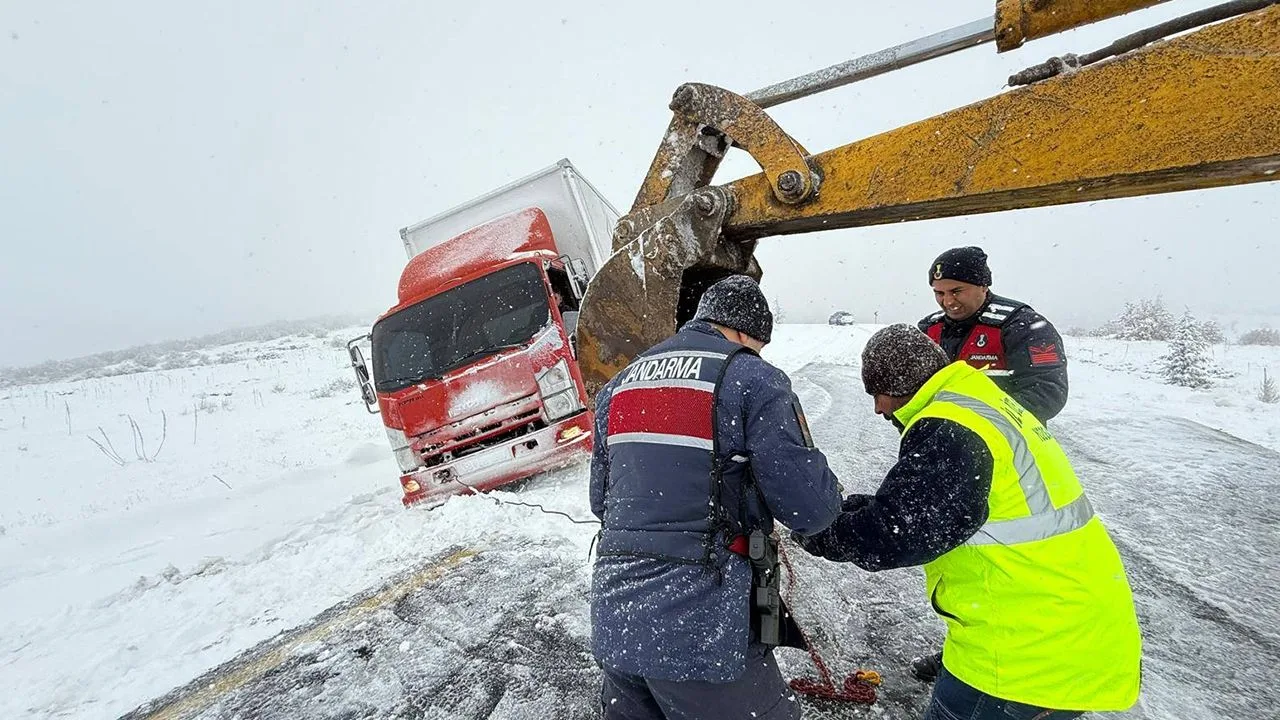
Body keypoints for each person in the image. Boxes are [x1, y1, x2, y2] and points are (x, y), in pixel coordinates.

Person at [793, 324, 1142, 720]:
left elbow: (898, 533)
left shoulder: (950, 426)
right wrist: (846, 510)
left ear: (901, 384)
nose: (878, 409)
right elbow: (928, 506)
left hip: (1022, 657)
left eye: (878, 393)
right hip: (1067, 629)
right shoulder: (977, 400)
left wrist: (820, 532)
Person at [589, 275, 842, 720]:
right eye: (758, 346)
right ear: (745, 333)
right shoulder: (751, 378)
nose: (757, 354)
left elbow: (601, 501)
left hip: (618, 622)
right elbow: (809, 509)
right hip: (700, 628)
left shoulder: (620, 384)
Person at [919, 246, 1068, 424]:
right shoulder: (929, 329)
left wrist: (968, 423)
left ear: (983, 286)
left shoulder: (1024, 326)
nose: (948, 301)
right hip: (932, 437)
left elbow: (1047, 392)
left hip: (1001, 438)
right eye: (939, 293)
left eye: (956, 291)